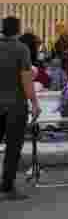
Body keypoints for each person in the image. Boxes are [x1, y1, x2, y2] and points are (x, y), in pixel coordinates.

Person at [0, 16, 41, 201]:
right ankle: (7, 187)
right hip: (16, 106)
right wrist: (34, 103)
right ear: (17, 31)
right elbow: (26, 79)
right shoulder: (21, 49)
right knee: (13, 148)